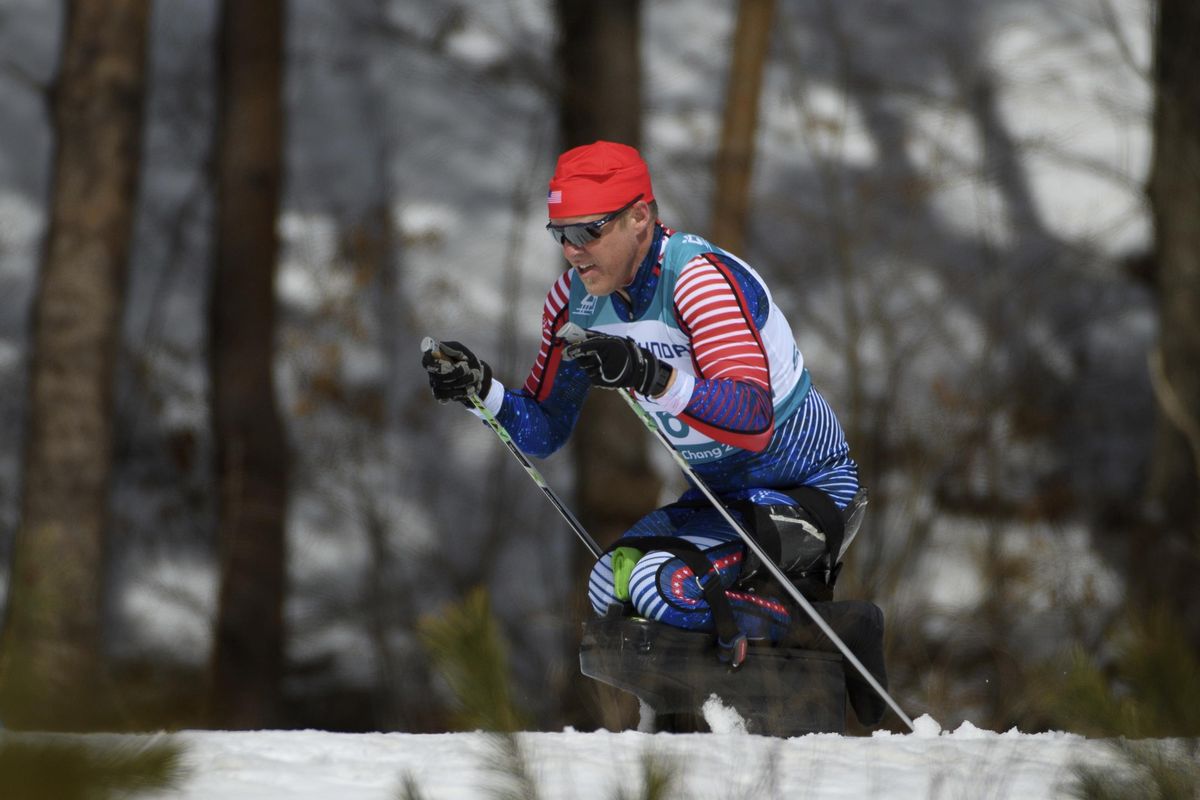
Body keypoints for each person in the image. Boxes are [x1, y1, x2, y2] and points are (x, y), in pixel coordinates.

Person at [423, 140, 862, 650]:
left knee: (662, 585)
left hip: (805, 488)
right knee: (609, 586)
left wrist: (651, 375)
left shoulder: (698, 281)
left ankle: (834, 637)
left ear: (639, 216)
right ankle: (696, 709)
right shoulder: (573, 303)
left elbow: (753, 418)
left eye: (589, 230)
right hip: (719, 499)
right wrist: (483, 391)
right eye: (560, 233)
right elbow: (544, 428)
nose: (573, 250)